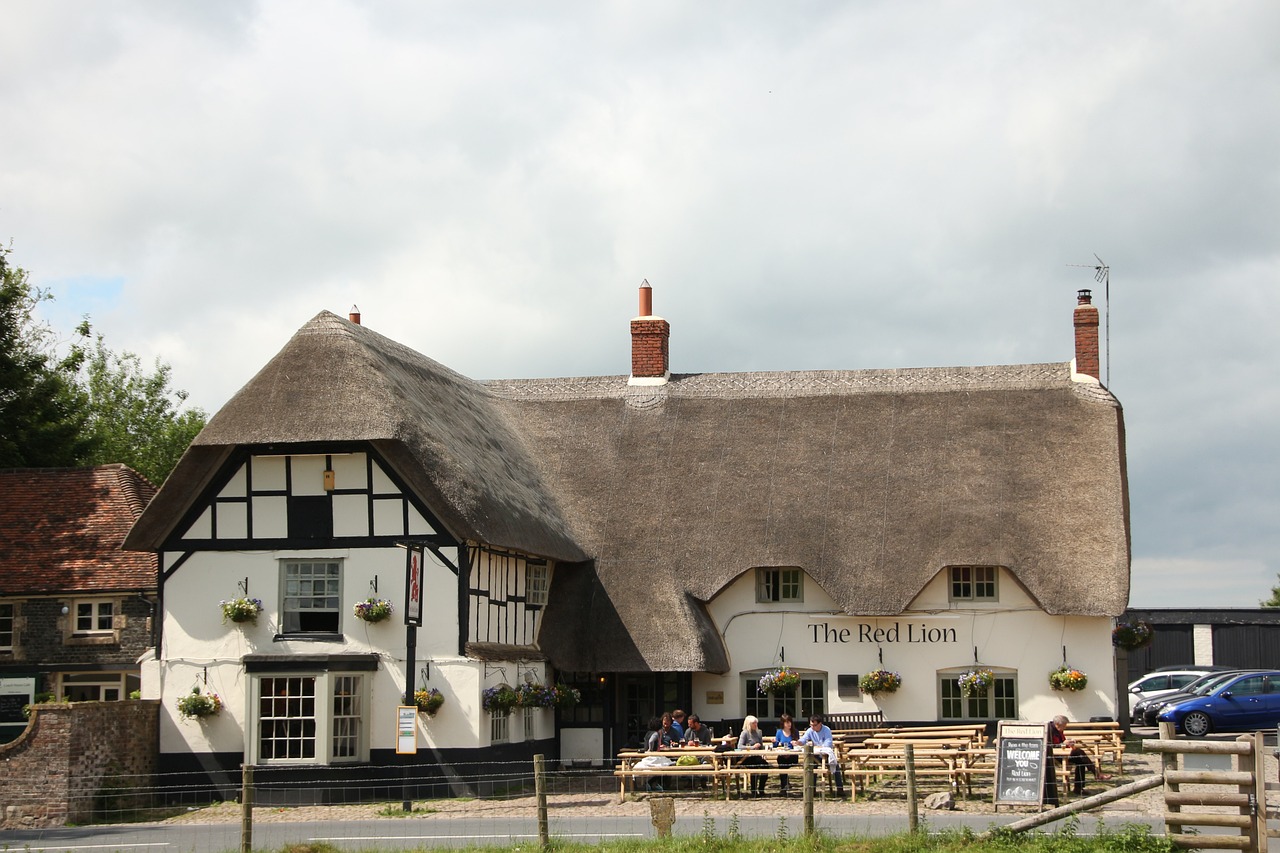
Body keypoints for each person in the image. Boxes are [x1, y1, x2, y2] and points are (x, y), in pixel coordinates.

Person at [1050, 715, 1110, 796]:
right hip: (1054, 755)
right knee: (1080, 753)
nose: (1065, 728)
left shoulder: (1058, 729)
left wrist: (1069, 742)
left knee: (1081, 759)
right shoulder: (1049, 730)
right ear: (1057, 724)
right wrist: (1062, 744)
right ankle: (1096, 774)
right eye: (1064, 726)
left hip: (1063, 753)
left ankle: (1079, 788)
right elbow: (1049, 746)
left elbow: (1062, 742)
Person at [797, 713, 844, 798]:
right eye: (811, 725)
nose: (812, 727)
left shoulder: (826, 730)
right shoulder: (810, 730)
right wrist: (798, 742)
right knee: (811, 765)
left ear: (820, 724)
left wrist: (821, 747)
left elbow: (828, 743)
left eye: (814, 725)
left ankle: (840, 788)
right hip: (816, 754)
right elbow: (804, 739)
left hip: (826, 754)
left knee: (835, 766)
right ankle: (812, 789)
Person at [737, 714, 768, 796]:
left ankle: (761, 789)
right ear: (749, 724)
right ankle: (753, 790)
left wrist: (763, 749)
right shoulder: (745, 733)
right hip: (746, 757)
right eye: (754, 723)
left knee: (766, 766)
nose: (755, 725)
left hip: (757, 756)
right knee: (754, 767)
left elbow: (761, 745)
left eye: (756, 723)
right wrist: (752, 747)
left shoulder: (759, 732)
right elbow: (740, 746)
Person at [773, 712, 799, 796]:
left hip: (793, 755)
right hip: (782, 755)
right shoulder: (779, 732)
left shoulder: (795, 732)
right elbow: (776, 745)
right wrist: (774, 742)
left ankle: (784, 785)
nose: (789, 724)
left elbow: (798, 745)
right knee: (781, 762)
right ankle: (783, 787)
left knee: (784, 764)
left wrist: (796, 743)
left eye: (790, 722)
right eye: (787, 722)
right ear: (783, 723)